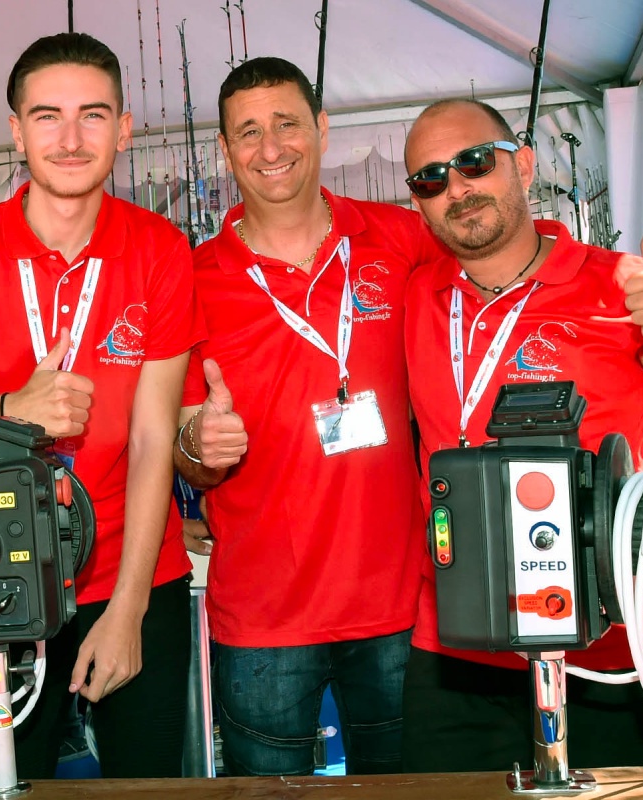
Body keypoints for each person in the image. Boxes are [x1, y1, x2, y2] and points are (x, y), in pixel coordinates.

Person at [398, 98, 643, 772]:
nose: (456, 188)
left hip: (601, 645)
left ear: (525, 165)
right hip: (455, 649)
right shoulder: (418, 294)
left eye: (474, 162)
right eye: (430, 179)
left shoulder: (619, 285)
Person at [0, 32, 199, 779]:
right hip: (5, 569)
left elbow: (154, 440)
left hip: (136, 570)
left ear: (123, 129)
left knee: (146, 785)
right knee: (14, 784)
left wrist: (127, 610)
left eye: (93, 115)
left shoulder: (159, 249)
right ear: (16, 132)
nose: (71, 138)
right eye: (47, 116)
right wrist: (9, 407)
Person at [174, 57, 436, 776]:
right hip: (263, 617)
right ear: (226, 150)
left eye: (287, 123)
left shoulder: (401, 237)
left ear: (322, 128)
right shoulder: (193, 277)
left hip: (403, 604)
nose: (271, 148)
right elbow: (180, 450)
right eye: (248, 132)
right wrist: (197, 441)